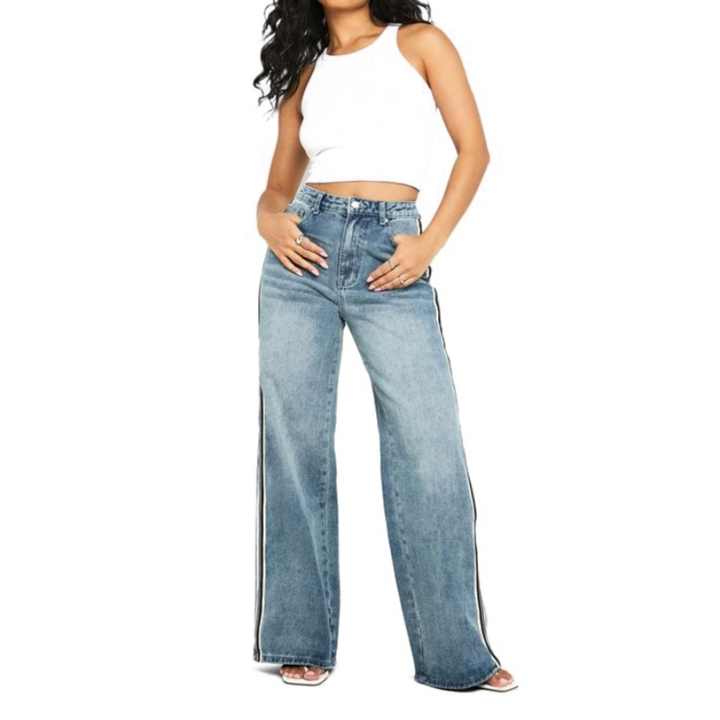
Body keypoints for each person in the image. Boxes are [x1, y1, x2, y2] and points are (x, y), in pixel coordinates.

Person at [252, 0, 516, 691]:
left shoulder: (419, 42)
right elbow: (277, 188)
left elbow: (474, 151)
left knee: (430, 447)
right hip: (300, 255)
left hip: (391, 252)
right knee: (294, 445)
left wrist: (429, 243)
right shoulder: (305, 68)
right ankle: (298, 637)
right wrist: (267, 220)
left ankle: (456, 655)